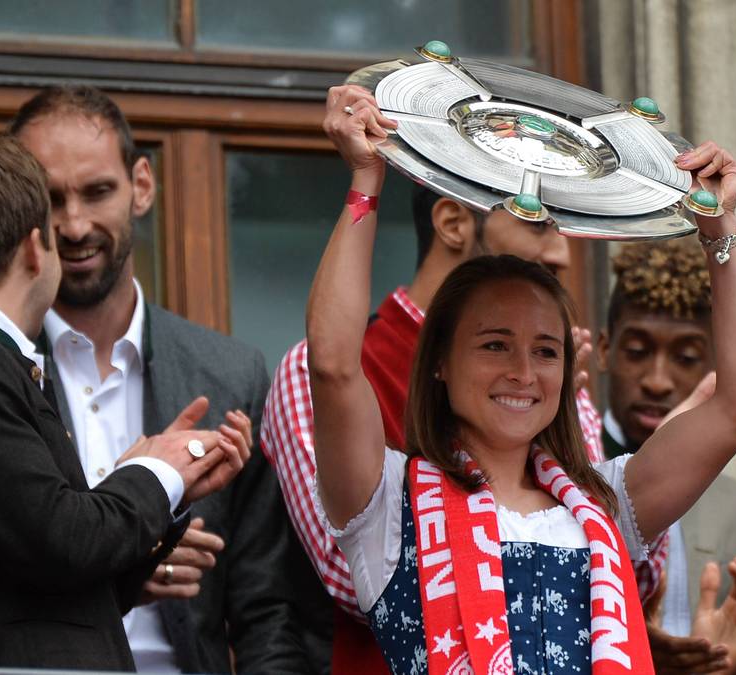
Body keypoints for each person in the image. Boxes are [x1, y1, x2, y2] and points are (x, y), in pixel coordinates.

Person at [305, 85, 736, 672]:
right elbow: (331, 364)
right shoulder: (385, 503)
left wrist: (717, 226)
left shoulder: (607, 504)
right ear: (440, 362)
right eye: (495, 344)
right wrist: (367, 178)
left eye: (546, 351)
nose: (523, 373)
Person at [261, 85, 614, 673]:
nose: (562, 256)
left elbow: (624, 564)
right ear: (452, 222)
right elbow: (349, 572)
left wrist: (566, 412)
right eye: (538, 223)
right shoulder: (323, 368)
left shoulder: (552, 385)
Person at [0, 132, 249, 669]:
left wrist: (164, 488)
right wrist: (155, 470)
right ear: (37, 248)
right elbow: (63, 540)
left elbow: (53, 590)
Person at [8, 86, 322, 674]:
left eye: (97, 191)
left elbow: (267, 613)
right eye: (49, 199)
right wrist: (122, 568)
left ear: (142, 186)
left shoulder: (230, 375)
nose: (74, 225)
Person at [598, 239, 736, 674]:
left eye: (686, 357)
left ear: (718, 364)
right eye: (638, 351)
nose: (658, 380)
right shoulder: (555, 491)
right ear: (604, 350)